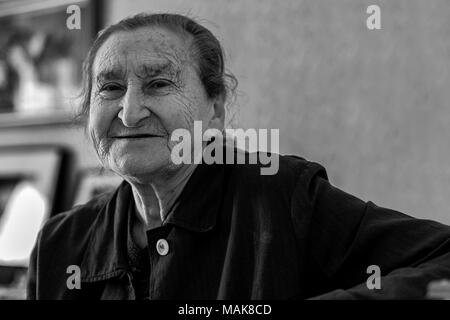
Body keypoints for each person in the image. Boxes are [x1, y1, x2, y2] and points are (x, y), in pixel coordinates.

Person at [27, 13, 450, 300]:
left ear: (215, 109)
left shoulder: (282, 196)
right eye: (110, 88)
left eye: (158, 84)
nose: (130, 110)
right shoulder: (60, 244)